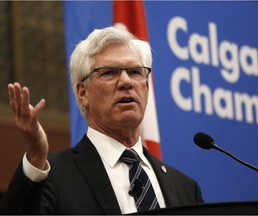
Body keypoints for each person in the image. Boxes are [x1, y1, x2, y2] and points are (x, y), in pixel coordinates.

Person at [0, 26, 204, 214]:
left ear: (147, 88)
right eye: (109, 73)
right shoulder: (53, 175)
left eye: (134, 72)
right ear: (82, 93)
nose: (126, 82)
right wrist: (35, 156)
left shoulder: (185, 189)